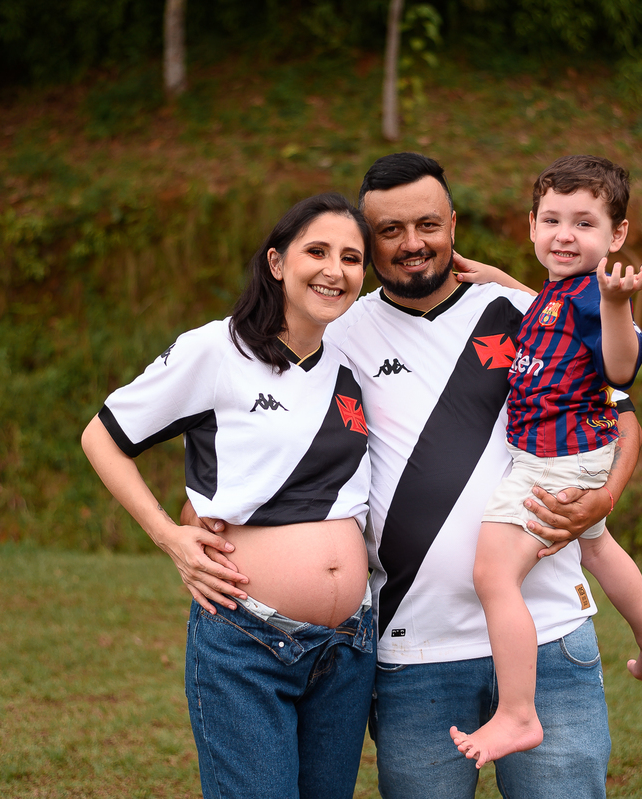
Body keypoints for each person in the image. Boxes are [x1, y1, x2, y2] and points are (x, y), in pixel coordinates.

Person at [185, 153, 642, 799]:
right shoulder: (338, 331)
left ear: (453, 222)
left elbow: (622, 417)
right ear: (368, 244)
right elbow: (251, 429)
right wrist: (192, 522)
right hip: (415, 652)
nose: (412, 243)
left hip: (549, 637)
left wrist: (607, 494)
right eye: (390, 231)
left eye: (427, 223)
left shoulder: (525, 307)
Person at [81, 192, 377, 799]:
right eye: (316, 251)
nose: (334, 269)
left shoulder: (354, 354)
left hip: (349, 644)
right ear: (275, 262)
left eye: (351, 258)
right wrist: (169, 536)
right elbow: (102, 437)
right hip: (248, 641)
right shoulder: (215, 350)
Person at [449, 154, 642, 769]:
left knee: (494, 576)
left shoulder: (596, 298)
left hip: (553, 462)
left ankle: (519, 714)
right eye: (552, 220)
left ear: (618, 236)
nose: (565, 235)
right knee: (599, 547)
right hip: (574, 456)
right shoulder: (560, 293)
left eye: (584, 223)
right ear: (531, 226)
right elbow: (543, 306)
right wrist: (498, 277)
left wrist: (619, 305)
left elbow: (620, 367)